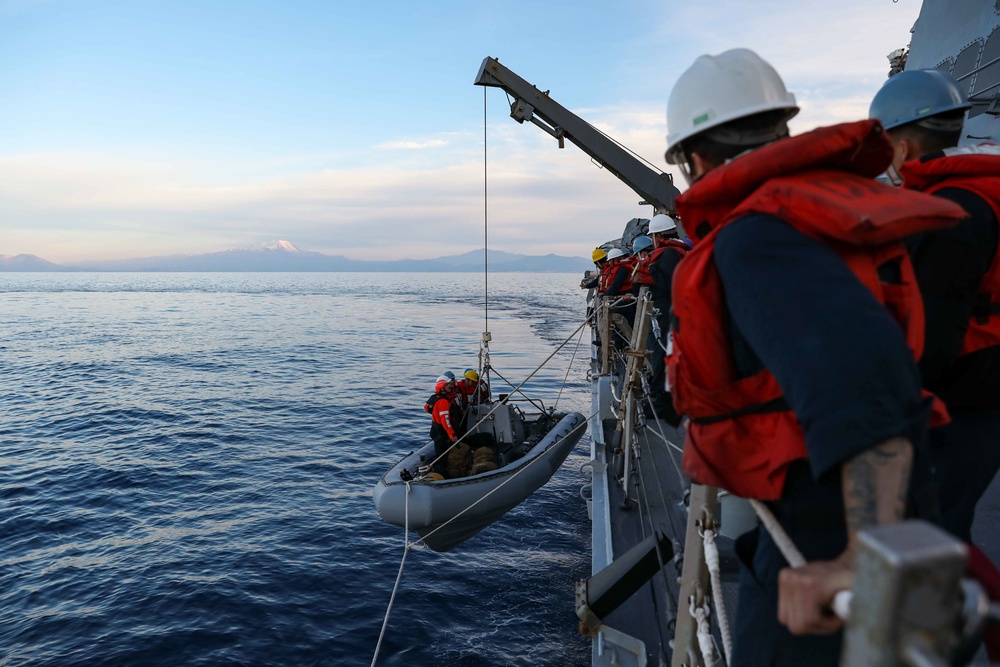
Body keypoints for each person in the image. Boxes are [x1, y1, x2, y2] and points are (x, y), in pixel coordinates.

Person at [663, 48, 966, 666]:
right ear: (780, 128)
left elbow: (863, 377)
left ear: (694, 160)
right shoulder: (801, 214)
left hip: (827, 529)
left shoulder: (755, 238)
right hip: (882, 499)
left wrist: (865, 556)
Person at [871, 69, 1000, 543]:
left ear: (902, 148)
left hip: (962, 399)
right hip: (985, 387)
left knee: (925, 533)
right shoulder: (983, 188)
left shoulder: (948, 212)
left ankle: (933, 612)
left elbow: (930, 335)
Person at [635, 214, 688, 421]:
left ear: (657, 236)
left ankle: (661, 404)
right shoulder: (678, 251)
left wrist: (651, 267)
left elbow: (667, 283)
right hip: (674, 311)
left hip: (666, 312)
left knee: (661, 357)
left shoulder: (667, 255)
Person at [426, 374, 459, 473]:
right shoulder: (443, 402)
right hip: (441, 433)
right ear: (442, 388)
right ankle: (440, 472)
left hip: (437, 431)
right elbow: (446, 421)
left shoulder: (437, 398)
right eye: (448, 385)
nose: (450, 386)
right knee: (442, 456)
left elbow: (427, 408)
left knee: (441, 452)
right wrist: (452, 435)